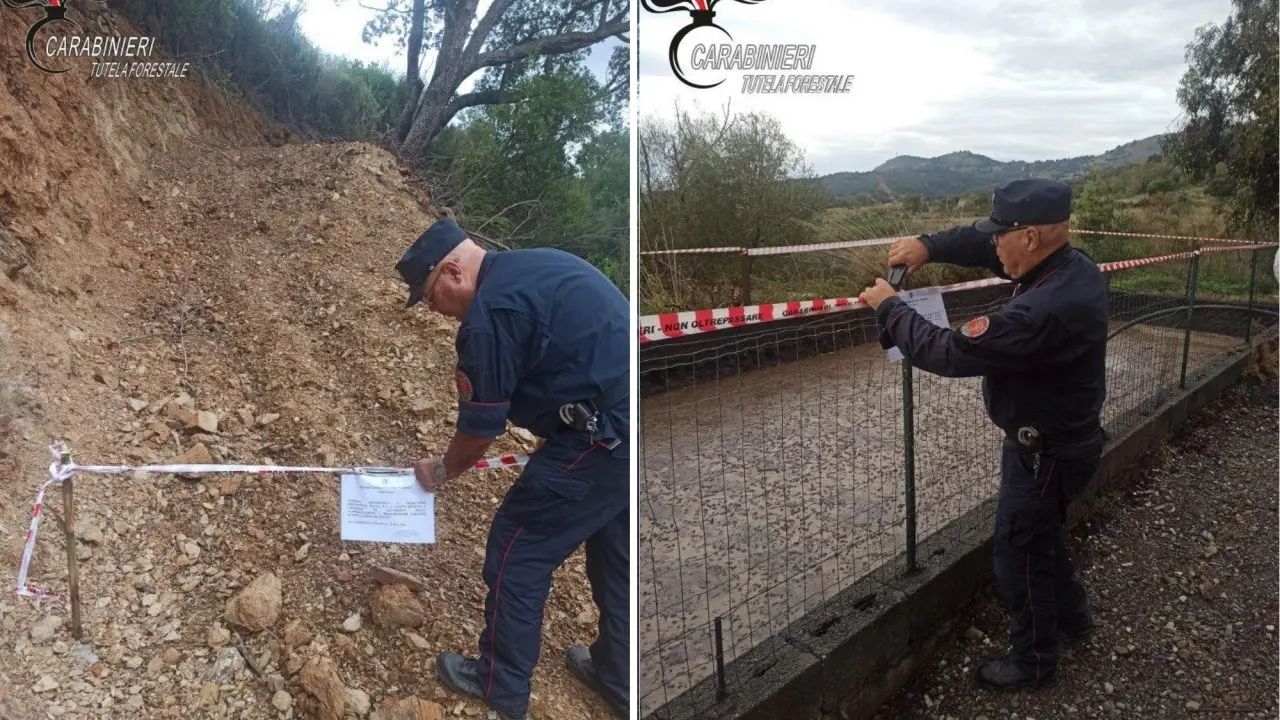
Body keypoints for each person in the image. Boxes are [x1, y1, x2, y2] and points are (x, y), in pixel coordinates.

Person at [857, 178, 1108, 689]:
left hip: (1045, 455)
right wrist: (929, 246)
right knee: (1040, 539)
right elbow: (978, 242)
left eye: (1002, 236)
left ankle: (1034, 662)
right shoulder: (1070, 267)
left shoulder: (1041, 309)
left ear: (1031, 237)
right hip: (1065, 444)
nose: (993, 245)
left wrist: (890, 308)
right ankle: (1074, 616)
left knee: (1017, 554)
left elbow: (950, 352)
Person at [395, 218, 630, 720]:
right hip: (632, 415)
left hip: (602, 437)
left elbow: (481, 429)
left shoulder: (488, 315)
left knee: (517, 550)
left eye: (432, 296)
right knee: (614, 553)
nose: (436, 311)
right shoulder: (535, 264)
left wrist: (441, 469)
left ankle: (498, 684)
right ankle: (619, 676)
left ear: (454, 272)